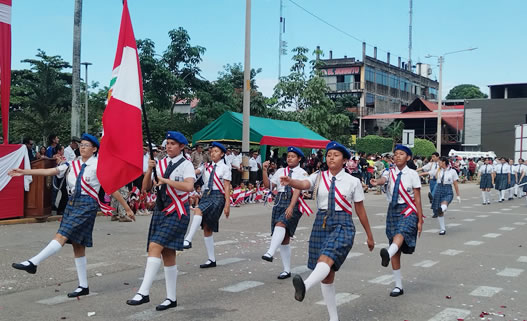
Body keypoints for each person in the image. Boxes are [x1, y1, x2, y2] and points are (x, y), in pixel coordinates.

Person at [9, 134, 134, 297]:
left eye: (86, 145)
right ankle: (83, 286)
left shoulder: (98, 165)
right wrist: (24, 171)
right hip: (72, 203)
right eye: (81, 145)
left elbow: (111, 189)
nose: (82, 147)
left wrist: (127, 207)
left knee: (62, 235)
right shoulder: (72, 164)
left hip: (87, 205)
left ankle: (33, 262)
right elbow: (51, 171)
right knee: (77, 245)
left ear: (94, 149)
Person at [281, 141, 374, 321]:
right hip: (321, 223)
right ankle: (334, 318)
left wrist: (369, 235)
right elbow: (304, 183)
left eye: (336, 155)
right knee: (327, 274)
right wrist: (291, 181)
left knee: (326, 258)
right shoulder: (319, 176)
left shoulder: (353, 181)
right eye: (329, 154)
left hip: (342, 224)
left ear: (345, 160)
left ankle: (305, 286)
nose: (331, 157)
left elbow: (360, 210)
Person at [127, 131, 195, 311]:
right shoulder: (160, 163)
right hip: (161, 209)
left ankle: (144, 291)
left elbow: (189, 186)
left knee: (155, 246)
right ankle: (171, 298)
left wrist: (166, 180)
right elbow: (145, 188)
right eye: (168, 143)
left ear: (181, 147)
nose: (169, 146)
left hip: (177, 211)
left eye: (173, 143)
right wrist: (149, 170)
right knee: (168, 254)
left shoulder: (186, 165)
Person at [370, 145, 424, 297]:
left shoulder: (413, 174)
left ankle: (387, 253)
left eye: (401, 154)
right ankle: (398, 286)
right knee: (396, 247)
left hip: (409, 209)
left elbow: (418, 198)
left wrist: (420, 219)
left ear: (408, 158)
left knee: (401, 232)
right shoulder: (389, 172)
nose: (398, 156)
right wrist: (377, 182)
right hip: (393, 210)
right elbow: (383, 179)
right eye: (396, 154)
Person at [261, 147, 310, 280]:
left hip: (294, 202)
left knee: (281, 224)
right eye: (288, 156)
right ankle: (286, 270)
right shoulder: (281, 171)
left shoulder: (302, 173)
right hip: (280, 200)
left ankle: (270, 252)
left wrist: (291, 206)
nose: (289, 158)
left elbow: (297, 190)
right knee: (284, 238)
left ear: (299, 158)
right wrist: (264, 170)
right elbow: (268, 186)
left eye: (293, 156)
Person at [183, 142, 231, 269]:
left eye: (216, 151)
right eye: (212, 151)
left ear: (222, 154)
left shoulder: (225, 168)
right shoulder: (205, 166)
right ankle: (211, 259)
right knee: (207, 227)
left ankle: (188, 239)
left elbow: (226, 187)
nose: (213, 153)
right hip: (206, 195)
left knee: (198, 210)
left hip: (218, 197)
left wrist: (227, 205)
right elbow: (195, 172)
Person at [431, 156, 461, 235]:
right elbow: (428, 173)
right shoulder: (438, 170)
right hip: (439, 189)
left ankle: (442, 208)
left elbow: (455, 184)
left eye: (439, 162)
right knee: (440, 212)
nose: (438, 163)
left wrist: (458, 195)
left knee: (444, 204)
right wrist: (417, 174)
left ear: (444, 162)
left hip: (448, 189)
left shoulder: (452, 171)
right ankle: (442, 229)